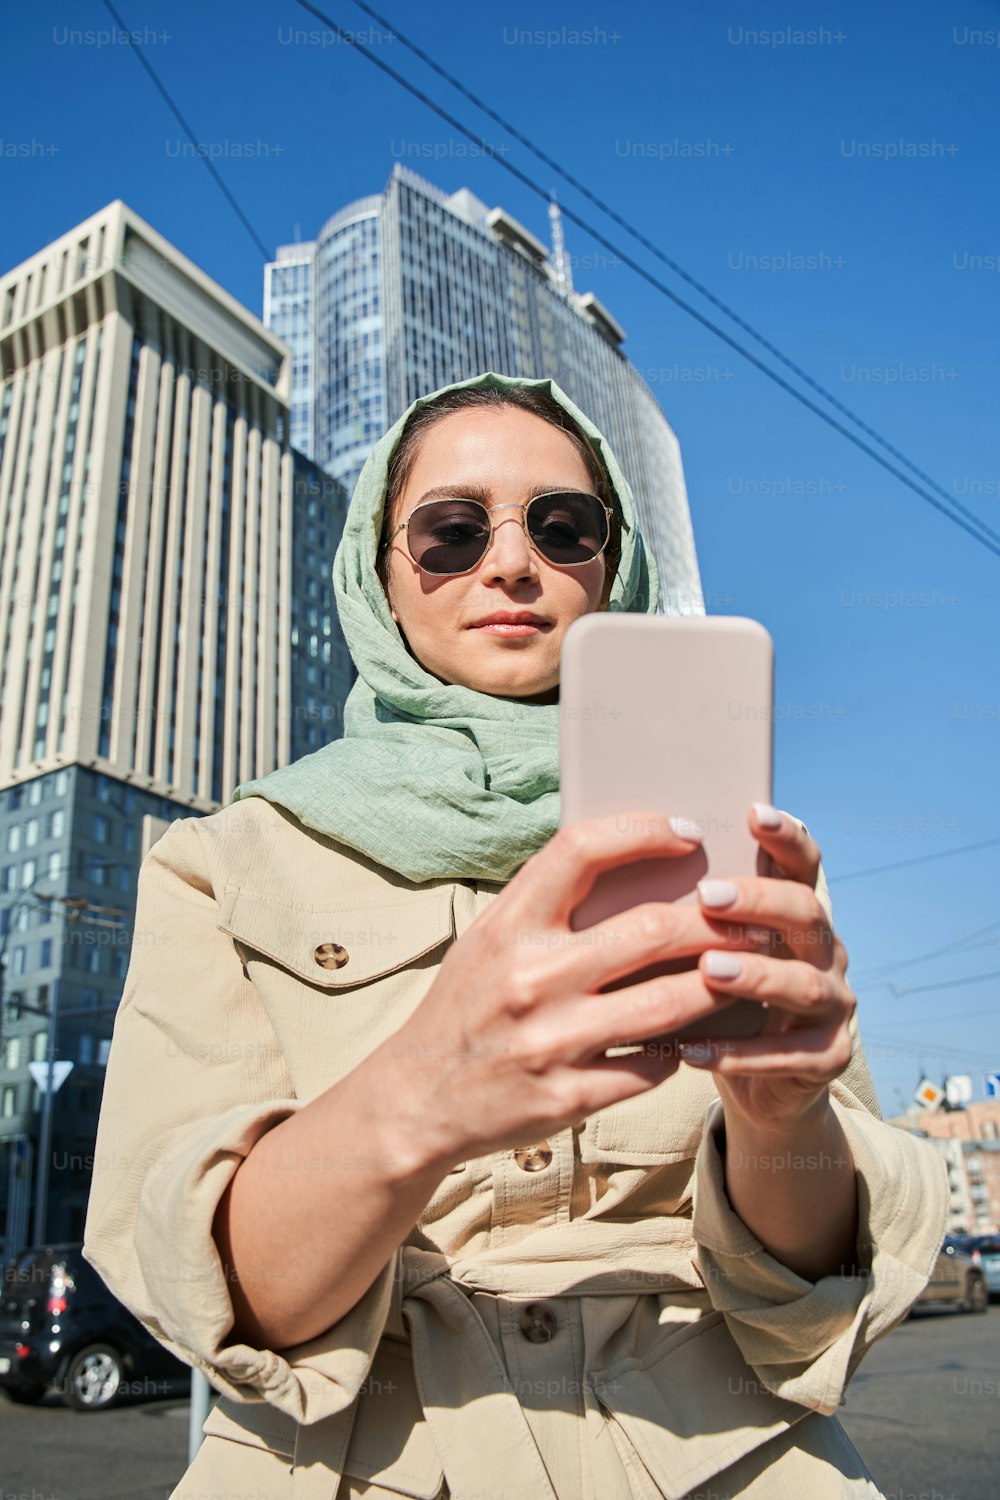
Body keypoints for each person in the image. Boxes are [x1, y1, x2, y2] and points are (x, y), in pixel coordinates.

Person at [83, 371, 948, 1500]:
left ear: (611, 567)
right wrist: (426, 1090)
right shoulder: (222, 861)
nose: (509, 563)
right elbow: (231, 1299)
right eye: (449, 530)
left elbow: (811, 1288)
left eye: (562, 526)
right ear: (378, 579)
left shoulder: (736, 852)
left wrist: (775, 1117)